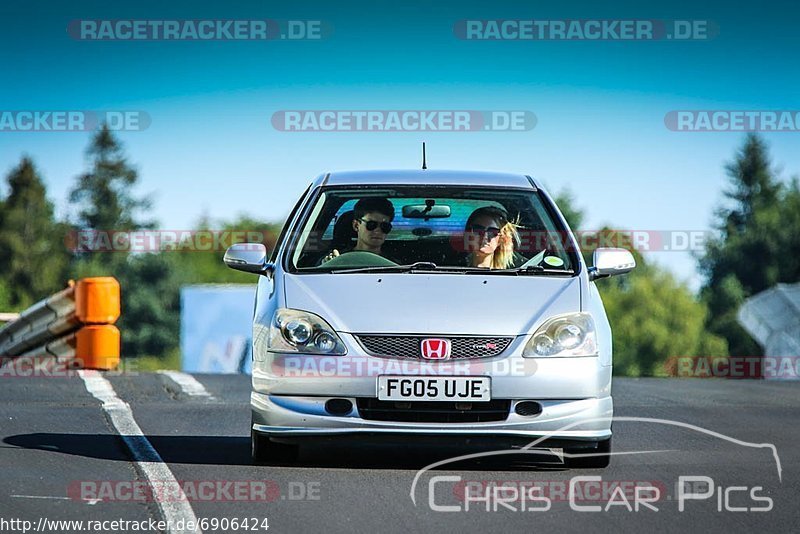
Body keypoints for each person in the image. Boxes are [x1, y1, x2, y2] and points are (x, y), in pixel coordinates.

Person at [322, 197, 395, 263]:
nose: (378, 230)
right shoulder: (338, 259)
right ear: (356, 225)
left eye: (385, 226)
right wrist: (329, 265)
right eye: (371, 225)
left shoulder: (397, 266)